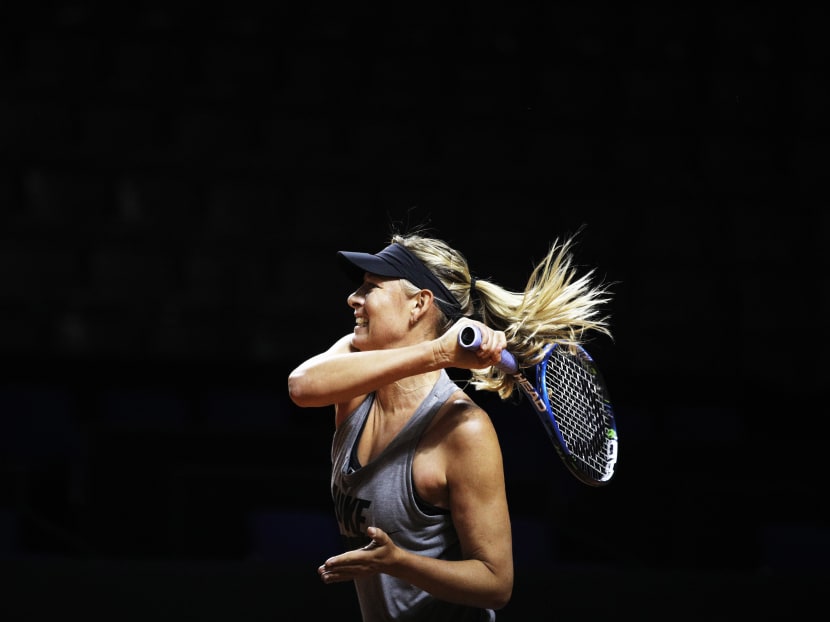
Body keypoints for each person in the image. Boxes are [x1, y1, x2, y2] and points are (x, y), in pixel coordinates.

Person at [287, 227, 612, 621]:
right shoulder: (354, 374)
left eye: (371, 286)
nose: (353, 297)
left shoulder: (464, 430)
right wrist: (439, 352)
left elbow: (496, 584)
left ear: (418, 304)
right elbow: (302, 386)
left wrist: (399, 562)